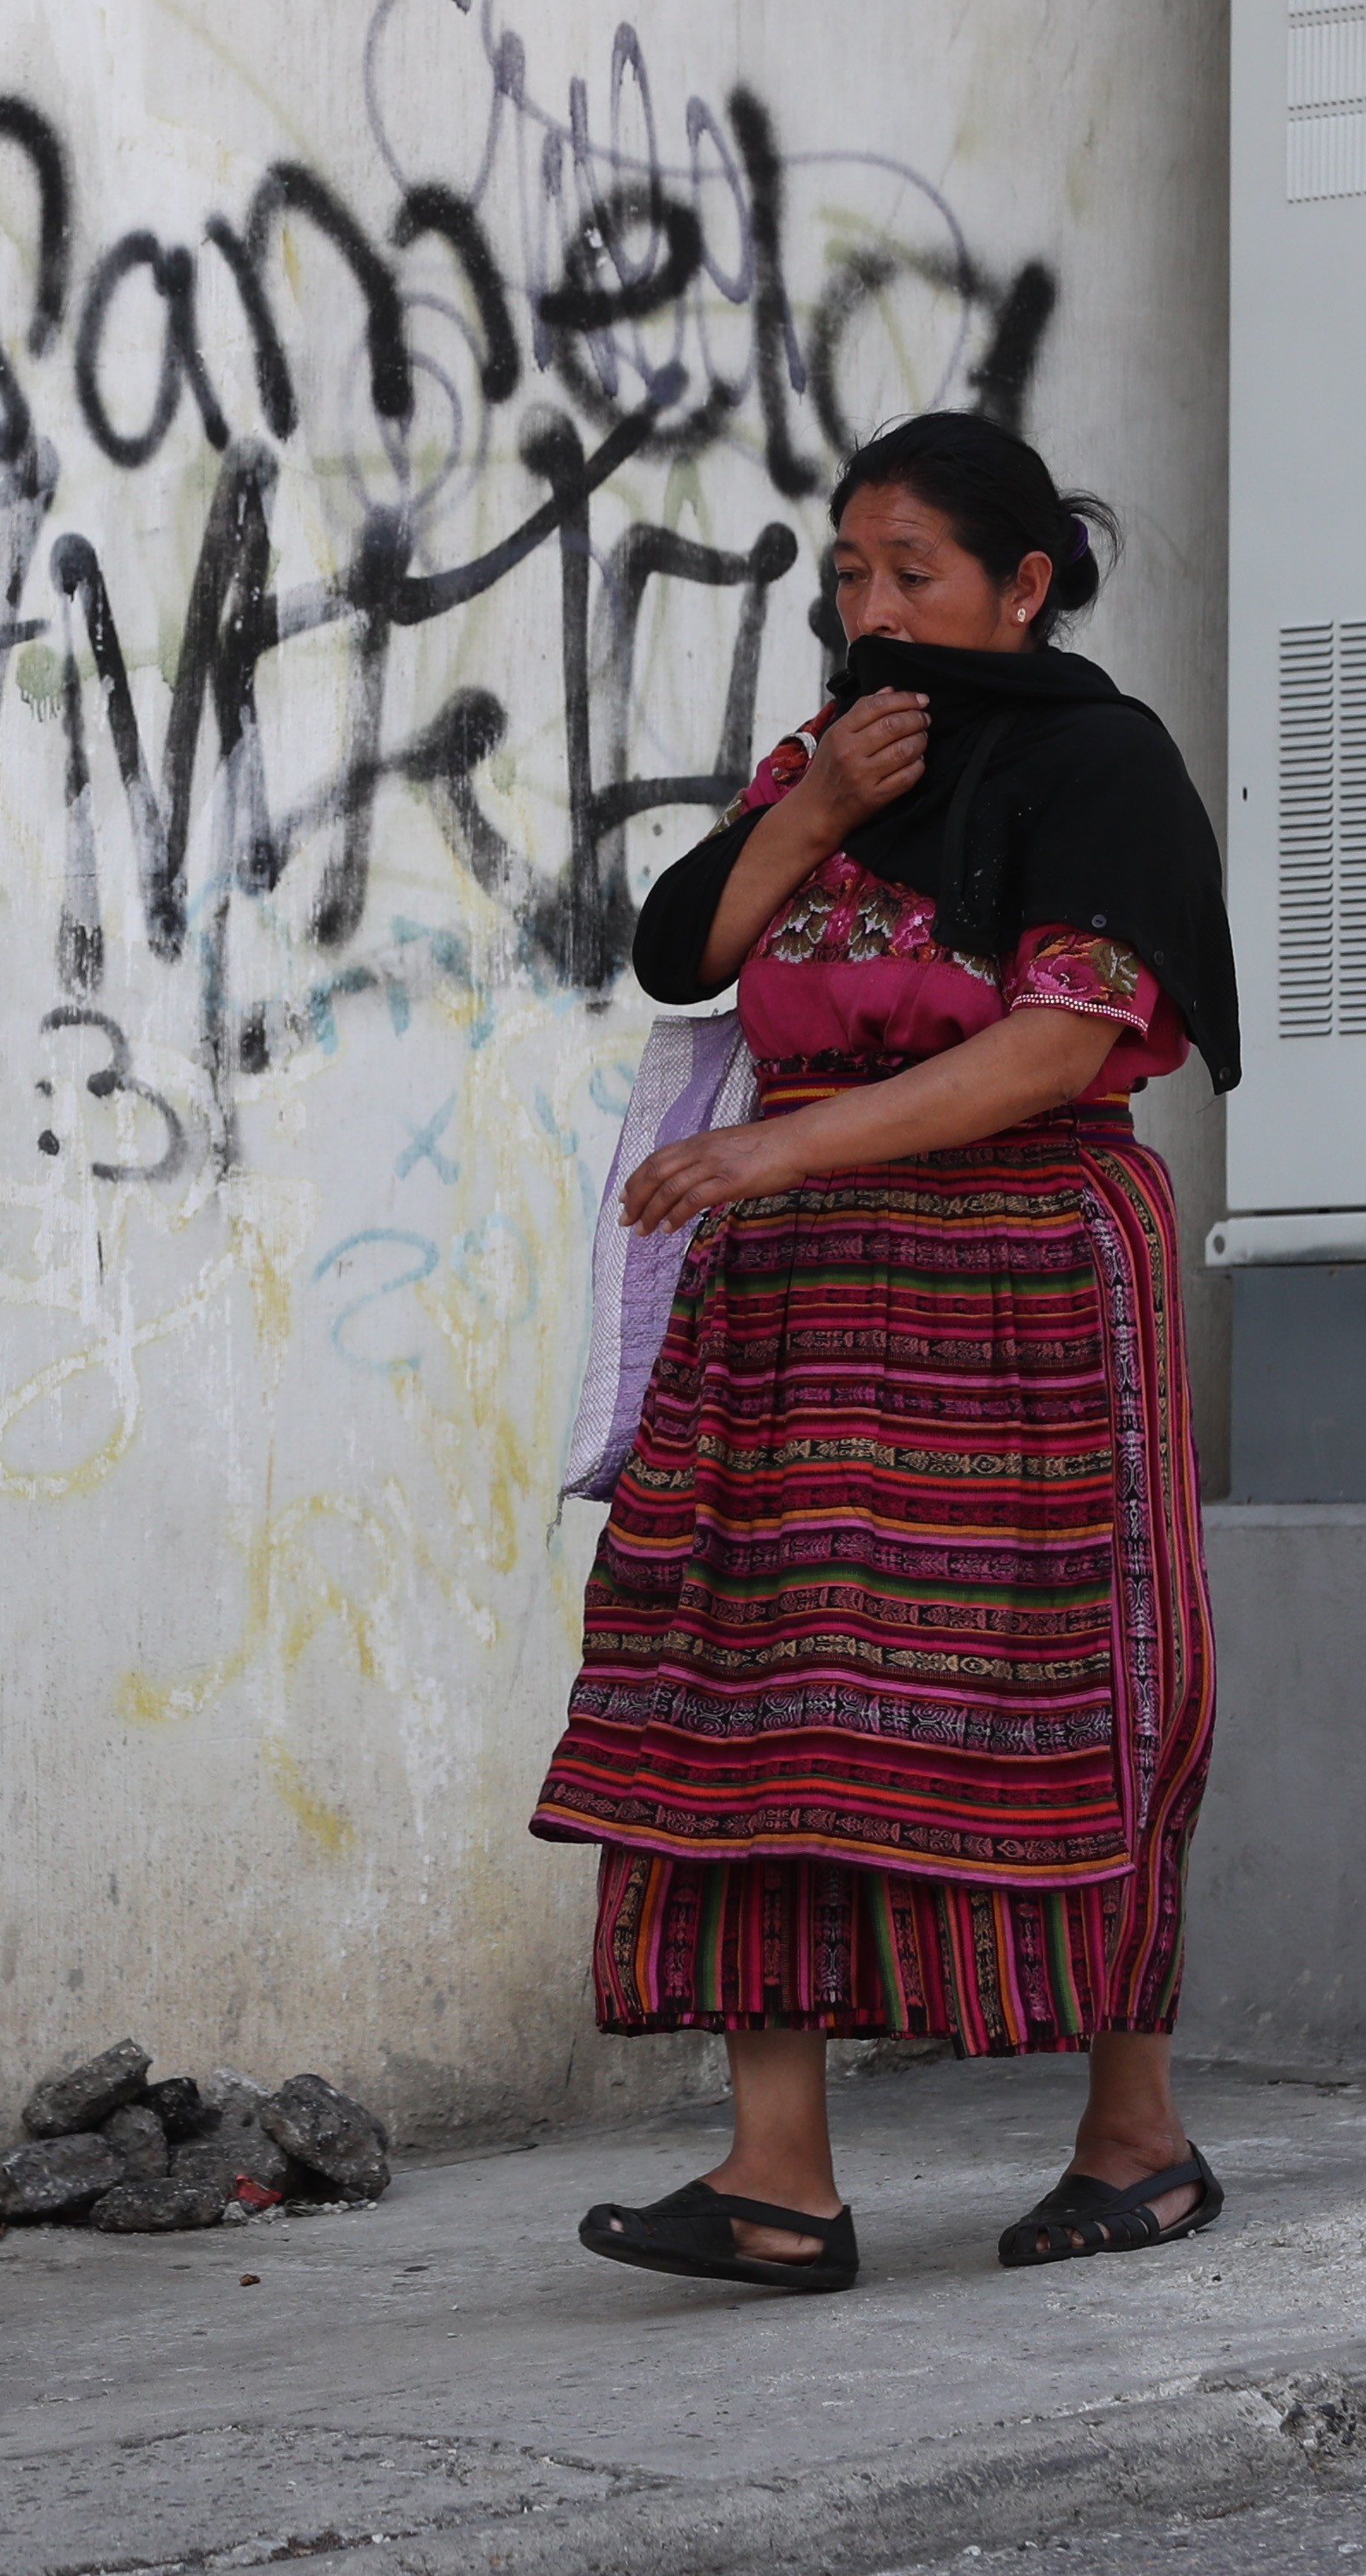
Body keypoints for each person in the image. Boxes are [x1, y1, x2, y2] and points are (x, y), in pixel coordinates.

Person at [531, 409, 1242, 2293]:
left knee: (1068, 1685)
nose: (872, 605)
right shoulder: (829, 761)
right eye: (849, 572)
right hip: (796, 1306)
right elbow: (686, 951)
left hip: (1023, 1288)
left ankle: (1136, 2135)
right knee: (747, 1689)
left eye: (913, 571)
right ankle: (780, 2174)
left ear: (1024, 585)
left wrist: (771, 1143)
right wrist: (820, 808)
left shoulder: (1103, 767)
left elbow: (1054, 1046)